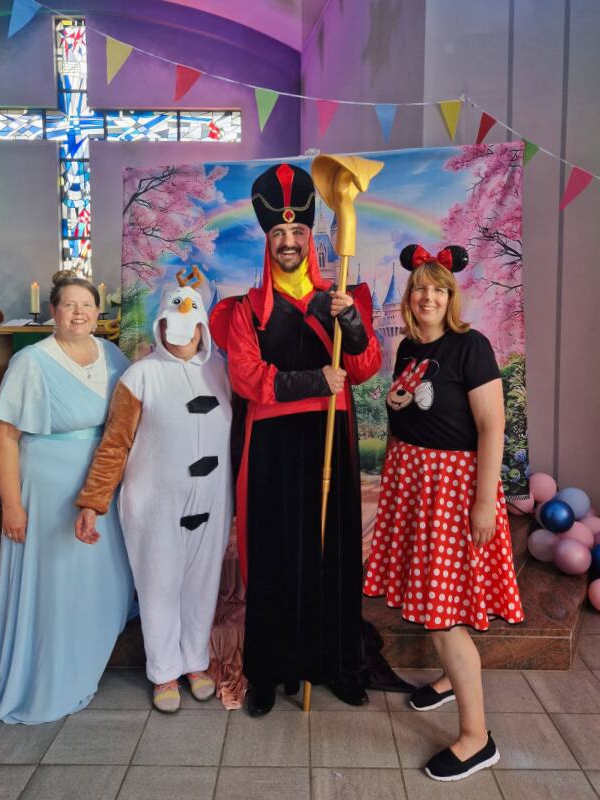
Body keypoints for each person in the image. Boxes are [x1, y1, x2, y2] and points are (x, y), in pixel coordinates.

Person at [209, 162, 382, 716]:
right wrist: (312, 381)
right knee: (274, 557)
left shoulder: (342, 298)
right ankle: (268, 671)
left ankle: (338, 664)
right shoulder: (245, 311)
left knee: (332, 554)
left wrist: (351, 325)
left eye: (298, 231)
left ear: (311, 238)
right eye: (279, 232)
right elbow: (246, 377)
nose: (289, 240)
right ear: (268, 239)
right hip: (272, 448)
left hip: (329, 438)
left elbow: (364, 369)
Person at [364, 244, 524, 781]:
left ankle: (477, 739)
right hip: (413, 485)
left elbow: (492, 426)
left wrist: (484, 501)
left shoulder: (470, 346)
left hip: (452, 490)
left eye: (438, 289)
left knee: (444, 612)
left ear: (450, 297)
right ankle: (449, 680)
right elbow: (404, 418)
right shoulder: (409, 347)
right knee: (431, 596)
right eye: (420, 288)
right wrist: (394, 480)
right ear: (409, 297)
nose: (428, 297)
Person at [0, 271, 134, 725]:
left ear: (98, 311)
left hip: (99, 485)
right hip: (48, 488)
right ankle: (50, 673)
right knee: (55, 580)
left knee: (101, 580)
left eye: (86, 305)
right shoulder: (31, 361)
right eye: (69, 305)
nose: (79, 313)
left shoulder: (112, 355)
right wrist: (12, 505)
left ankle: (85, 657)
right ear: (54, 311)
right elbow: (5, 435)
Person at [75, 283, 232, 712]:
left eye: (191, 327)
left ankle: (195, 663)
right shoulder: (139, 375)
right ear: (160, 326)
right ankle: (164, 671)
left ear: (202, 329)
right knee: (159, 586)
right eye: (172, 326)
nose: (182, 335)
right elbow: (115, 444)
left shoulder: (221, 371)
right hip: (155, 505)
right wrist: (93, 500)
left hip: (212, 504)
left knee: (202, 585)